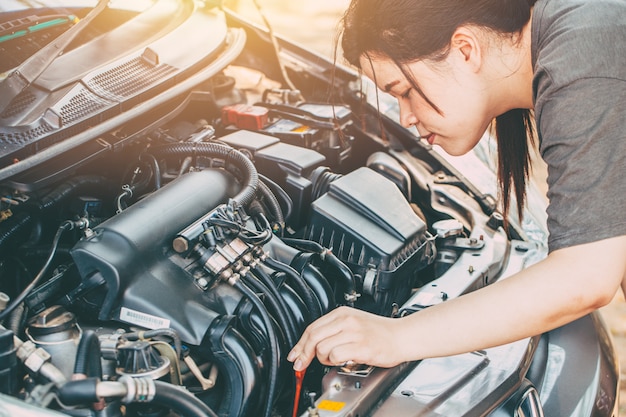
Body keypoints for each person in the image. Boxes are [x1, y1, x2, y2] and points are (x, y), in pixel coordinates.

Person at [287, 0, 626, 371]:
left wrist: (397, 336)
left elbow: (585, 276)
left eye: (403, 90)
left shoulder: (582, 59)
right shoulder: (569, 33)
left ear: (465, 49)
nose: (406, 117)